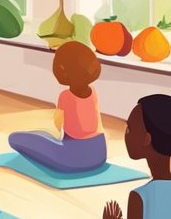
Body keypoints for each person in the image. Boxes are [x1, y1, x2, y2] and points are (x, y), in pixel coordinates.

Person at [7, 41, 107, 173]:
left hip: (71, 158)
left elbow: (57, 125)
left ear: (62, 70)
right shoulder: (93, 92)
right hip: (99, 153)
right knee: (42, 135)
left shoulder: (65, 96)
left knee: (14, 138)